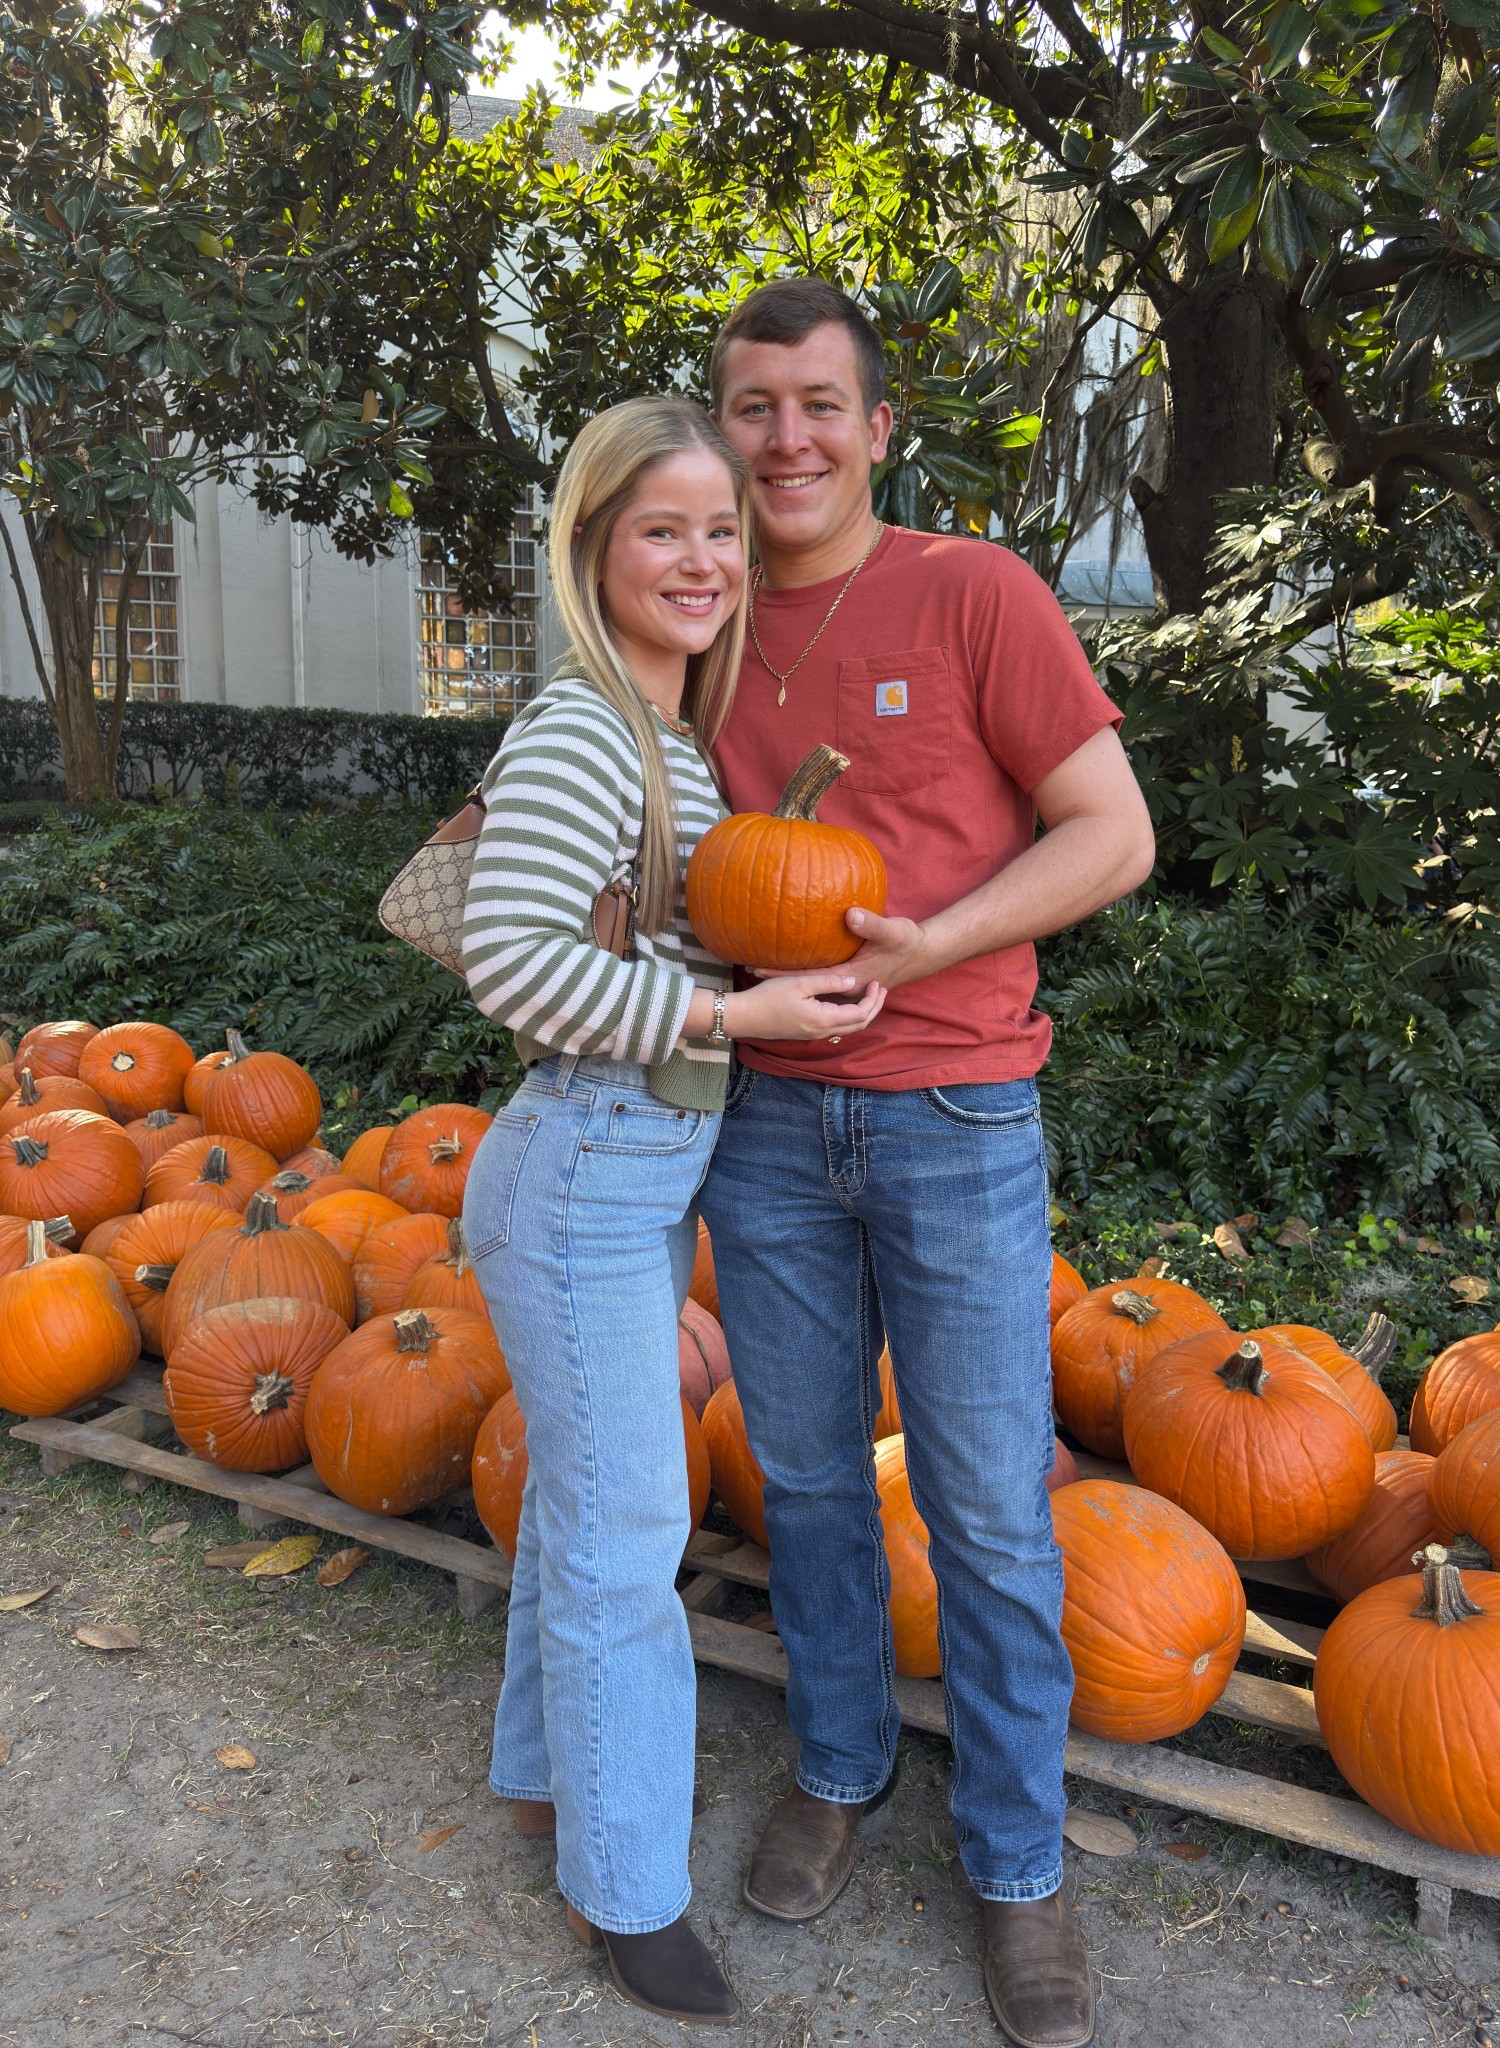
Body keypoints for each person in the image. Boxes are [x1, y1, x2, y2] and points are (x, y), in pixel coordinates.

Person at [698, 280, 1156, 2048]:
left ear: (880, 428)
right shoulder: (705, 616)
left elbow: (1110, 832)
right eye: (754, 408)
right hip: (759, 1123)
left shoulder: (974, 593)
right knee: (806, 1479)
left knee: (982, 1507)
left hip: (955, 1110)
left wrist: (926, 944)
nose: (789, 440)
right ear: (721, 427)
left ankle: (1020, 1867)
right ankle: (836, 1762)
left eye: (822, 406)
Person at [459, 395, 886, 2026]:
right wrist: (731, 1019)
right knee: (635, 1540)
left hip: (621, 1176)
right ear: (593, 546)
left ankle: (539, 1785)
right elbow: (511, 961)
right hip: (581, 1169)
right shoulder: (584, 727)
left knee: (585, 1515)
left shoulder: (671, 735)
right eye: (665, 530)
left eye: (723, 530)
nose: (706, 558)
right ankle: (628, 1893)